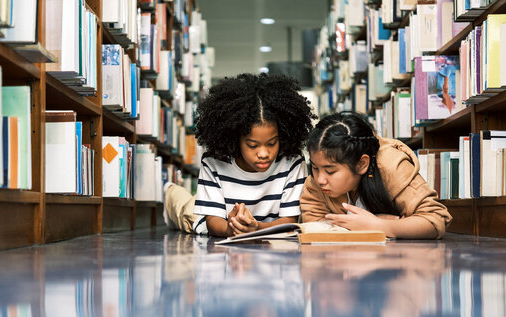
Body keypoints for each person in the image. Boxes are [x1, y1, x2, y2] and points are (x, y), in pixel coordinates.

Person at [164, 73, 315, 236]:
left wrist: (256, 229)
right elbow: (213, 222)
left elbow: (290, 222)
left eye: (272, 143)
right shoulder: (213, 161)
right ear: (235, 139)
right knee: (184, 208)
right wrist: (233, 228)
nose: (264, 153)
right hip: (215, 222)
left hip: (260, 227)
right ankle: (169, 190)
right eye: (252, 145)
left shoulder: (293, 161)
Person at [300, 111, 452, 239]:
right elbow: (314, 226)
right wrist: (365, 225)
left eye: (331, 171)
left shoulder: (392, 166)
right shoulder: (316, 181)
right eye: (314, 168)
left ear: (362, 164)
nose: (320, 179)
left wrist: (380, 225)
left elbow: (435, 220)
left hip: (398, 265)